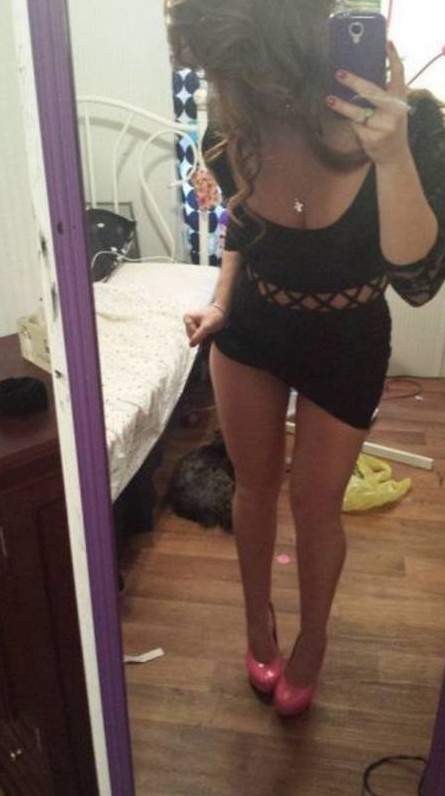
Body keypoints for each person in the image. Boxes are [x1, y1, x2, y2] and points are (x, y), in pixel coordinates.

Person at [165, 0, 445, 716]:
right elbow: (240, 225)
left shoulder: (410, 123)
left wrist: (392, 156)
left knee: (316, 507)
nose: (231, 86)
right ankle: (256, 622)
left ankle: (312, 639)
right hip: (251, 327)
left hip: (348, 338)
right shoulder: (233, 119)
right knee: (252, 488)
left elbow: (417, 283)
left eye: (239, 69)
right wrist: (221, 301)